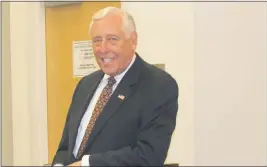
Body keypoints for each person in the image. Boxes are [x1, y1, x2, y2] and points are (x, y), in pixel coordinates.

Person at [52, 6, 179, 167]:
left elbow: (149, 155)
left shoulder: (158, 85)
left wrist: (87, 164)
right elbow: (66, 147)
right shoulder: (85, 84)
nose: (103, 49)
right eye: (97, 40)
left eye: (112, 39)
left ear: (133, 41)